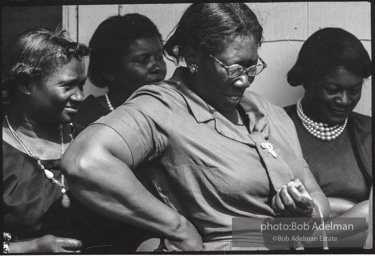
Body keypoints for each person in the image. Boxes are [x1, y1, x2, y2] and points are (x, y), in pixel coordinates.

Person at [61, 3, 329, 251]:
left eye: (251, 66)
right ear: (192, 57)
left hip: (294, 239)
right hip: (231, 243)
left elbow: (315, 194)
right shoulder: (163, 106)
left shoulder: (268, 112)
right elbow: (84, 162)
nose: (245, 81)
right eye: (233, 67)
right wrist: (177, 228)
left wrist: (307, 213)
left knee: (365, 222)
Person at [2, 28, 139, 254]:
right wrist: (30, 248)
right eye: (67, 86)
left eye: (81, 85)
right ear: (26, 85)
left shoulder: (88, 140)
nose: (79, 97)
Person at [285, 28, 372, 246]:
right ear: (307, 80)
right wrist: (358, 211)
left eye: (354, 90)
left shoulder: (369, 132)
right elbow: (255, 227)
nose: (344, 100)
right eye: (332, 89)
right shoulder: (273, 126)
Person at [74, 13, 167, 127]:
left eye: (159, 57)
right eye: (143, 60)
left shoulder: (170, 109)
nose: (157, 67)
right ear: (109, 71)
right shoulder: (86, 117)